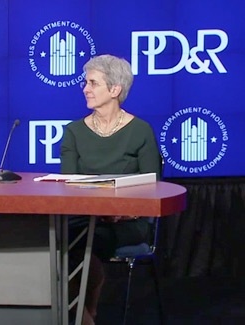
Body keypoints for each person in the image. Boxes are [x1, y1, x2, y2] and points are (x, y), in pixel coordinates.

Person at [60, 54, 161, 324]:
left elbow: (152, 187)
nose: (85, 88)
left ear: (115, 90)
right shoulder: (74, 132)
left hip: (129, 221)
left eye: (93, 83)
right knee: (61, 238)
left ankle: (82, 313)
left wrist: (123, 212)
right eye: (85, 82)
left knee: (88, 241)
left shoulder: (140, 131)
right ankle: (85, 315)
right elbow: (69, 185)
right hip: (84, 218)